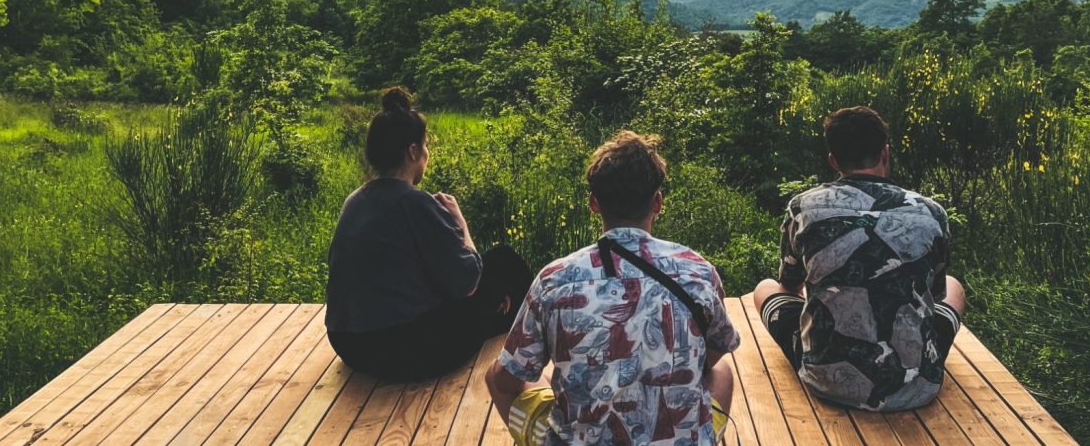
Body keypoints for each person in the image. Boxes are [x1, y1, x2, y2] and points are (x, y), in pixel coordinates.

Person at [486, 131, 740, 446]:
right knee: (723, 373)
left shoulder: (554, 279)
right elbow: (714, 354)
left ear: (594, 204)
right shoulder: (698, 270)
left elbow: (507, 379)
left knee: (497, 376)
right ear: (657, 203)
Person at [751, 106, 966, 411]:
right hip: (916, 385)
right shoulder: (932, 212)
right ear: (886, 153)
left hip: (827, 378)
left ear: (834, 160)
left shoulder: (804, 208)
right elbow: (937, 293)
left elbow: (790, 284)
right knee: (954, 287)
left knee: (765, 288)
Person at [325, 86, 533, 382]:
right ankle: (520, 357)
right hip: (402, 350)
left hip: (348, 344)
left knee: (487, 287)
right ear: (412, 151)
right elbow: (468, 283)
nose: (427, 153)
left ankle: (495, 314)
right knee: (503, 262)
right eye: (425, 145)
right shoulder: (413, 201)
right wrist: (460, 221)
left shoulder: (355, 200)